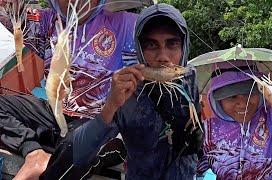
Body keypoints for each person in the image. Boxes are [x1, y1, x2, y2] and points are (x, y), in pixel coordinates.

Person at [41, 3, 203, 179]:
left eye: (172, 44)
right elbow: (78, 152)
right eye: (152, 45)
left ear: (184, 47)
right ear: (139, 49)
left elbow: (196, 146)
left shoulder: (189, 79)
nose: (163, 57)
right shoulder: (127, 89)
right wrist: (110, 107)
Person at [0, 0, 137, 179]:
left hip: (97, 120)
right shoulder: (48, 20)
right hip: (55, 110)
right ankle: (34, 153)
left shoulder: (126, 24)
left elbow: (159, 48)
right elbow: (12, 17)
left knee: (78, 146)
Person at [196, 0, 272, 179]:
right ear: (216, 99)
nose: (243, 102)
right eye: (231, 97)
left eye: (250, 93)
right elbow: (190, 166)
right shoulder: (206, 132)